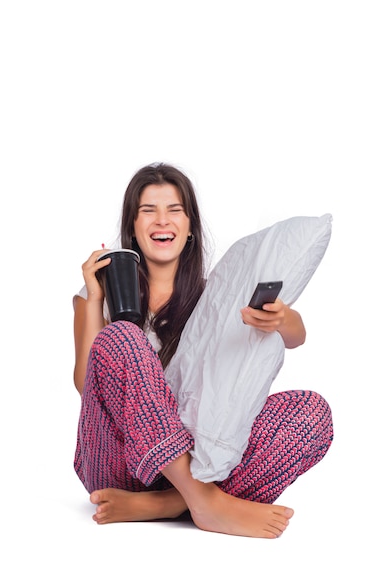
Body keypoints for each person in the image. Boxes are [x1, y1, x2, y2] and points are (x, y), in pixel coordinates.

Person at [73, 162, 333, 538]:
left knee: (311, 413)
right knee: (123, 337)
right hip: (118, 463)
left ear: (190, 226)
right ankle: (203, 501)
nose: (162, 221)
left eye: (174, 210)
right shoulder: (95, 297)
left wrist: (283, 318)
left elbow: (295, 338)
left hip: (197, 459)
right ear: (132, 227)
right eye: (148, 211)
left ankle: (168, 503)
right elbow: (86, 385)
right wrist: (97, 298)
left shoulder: (216, 298)